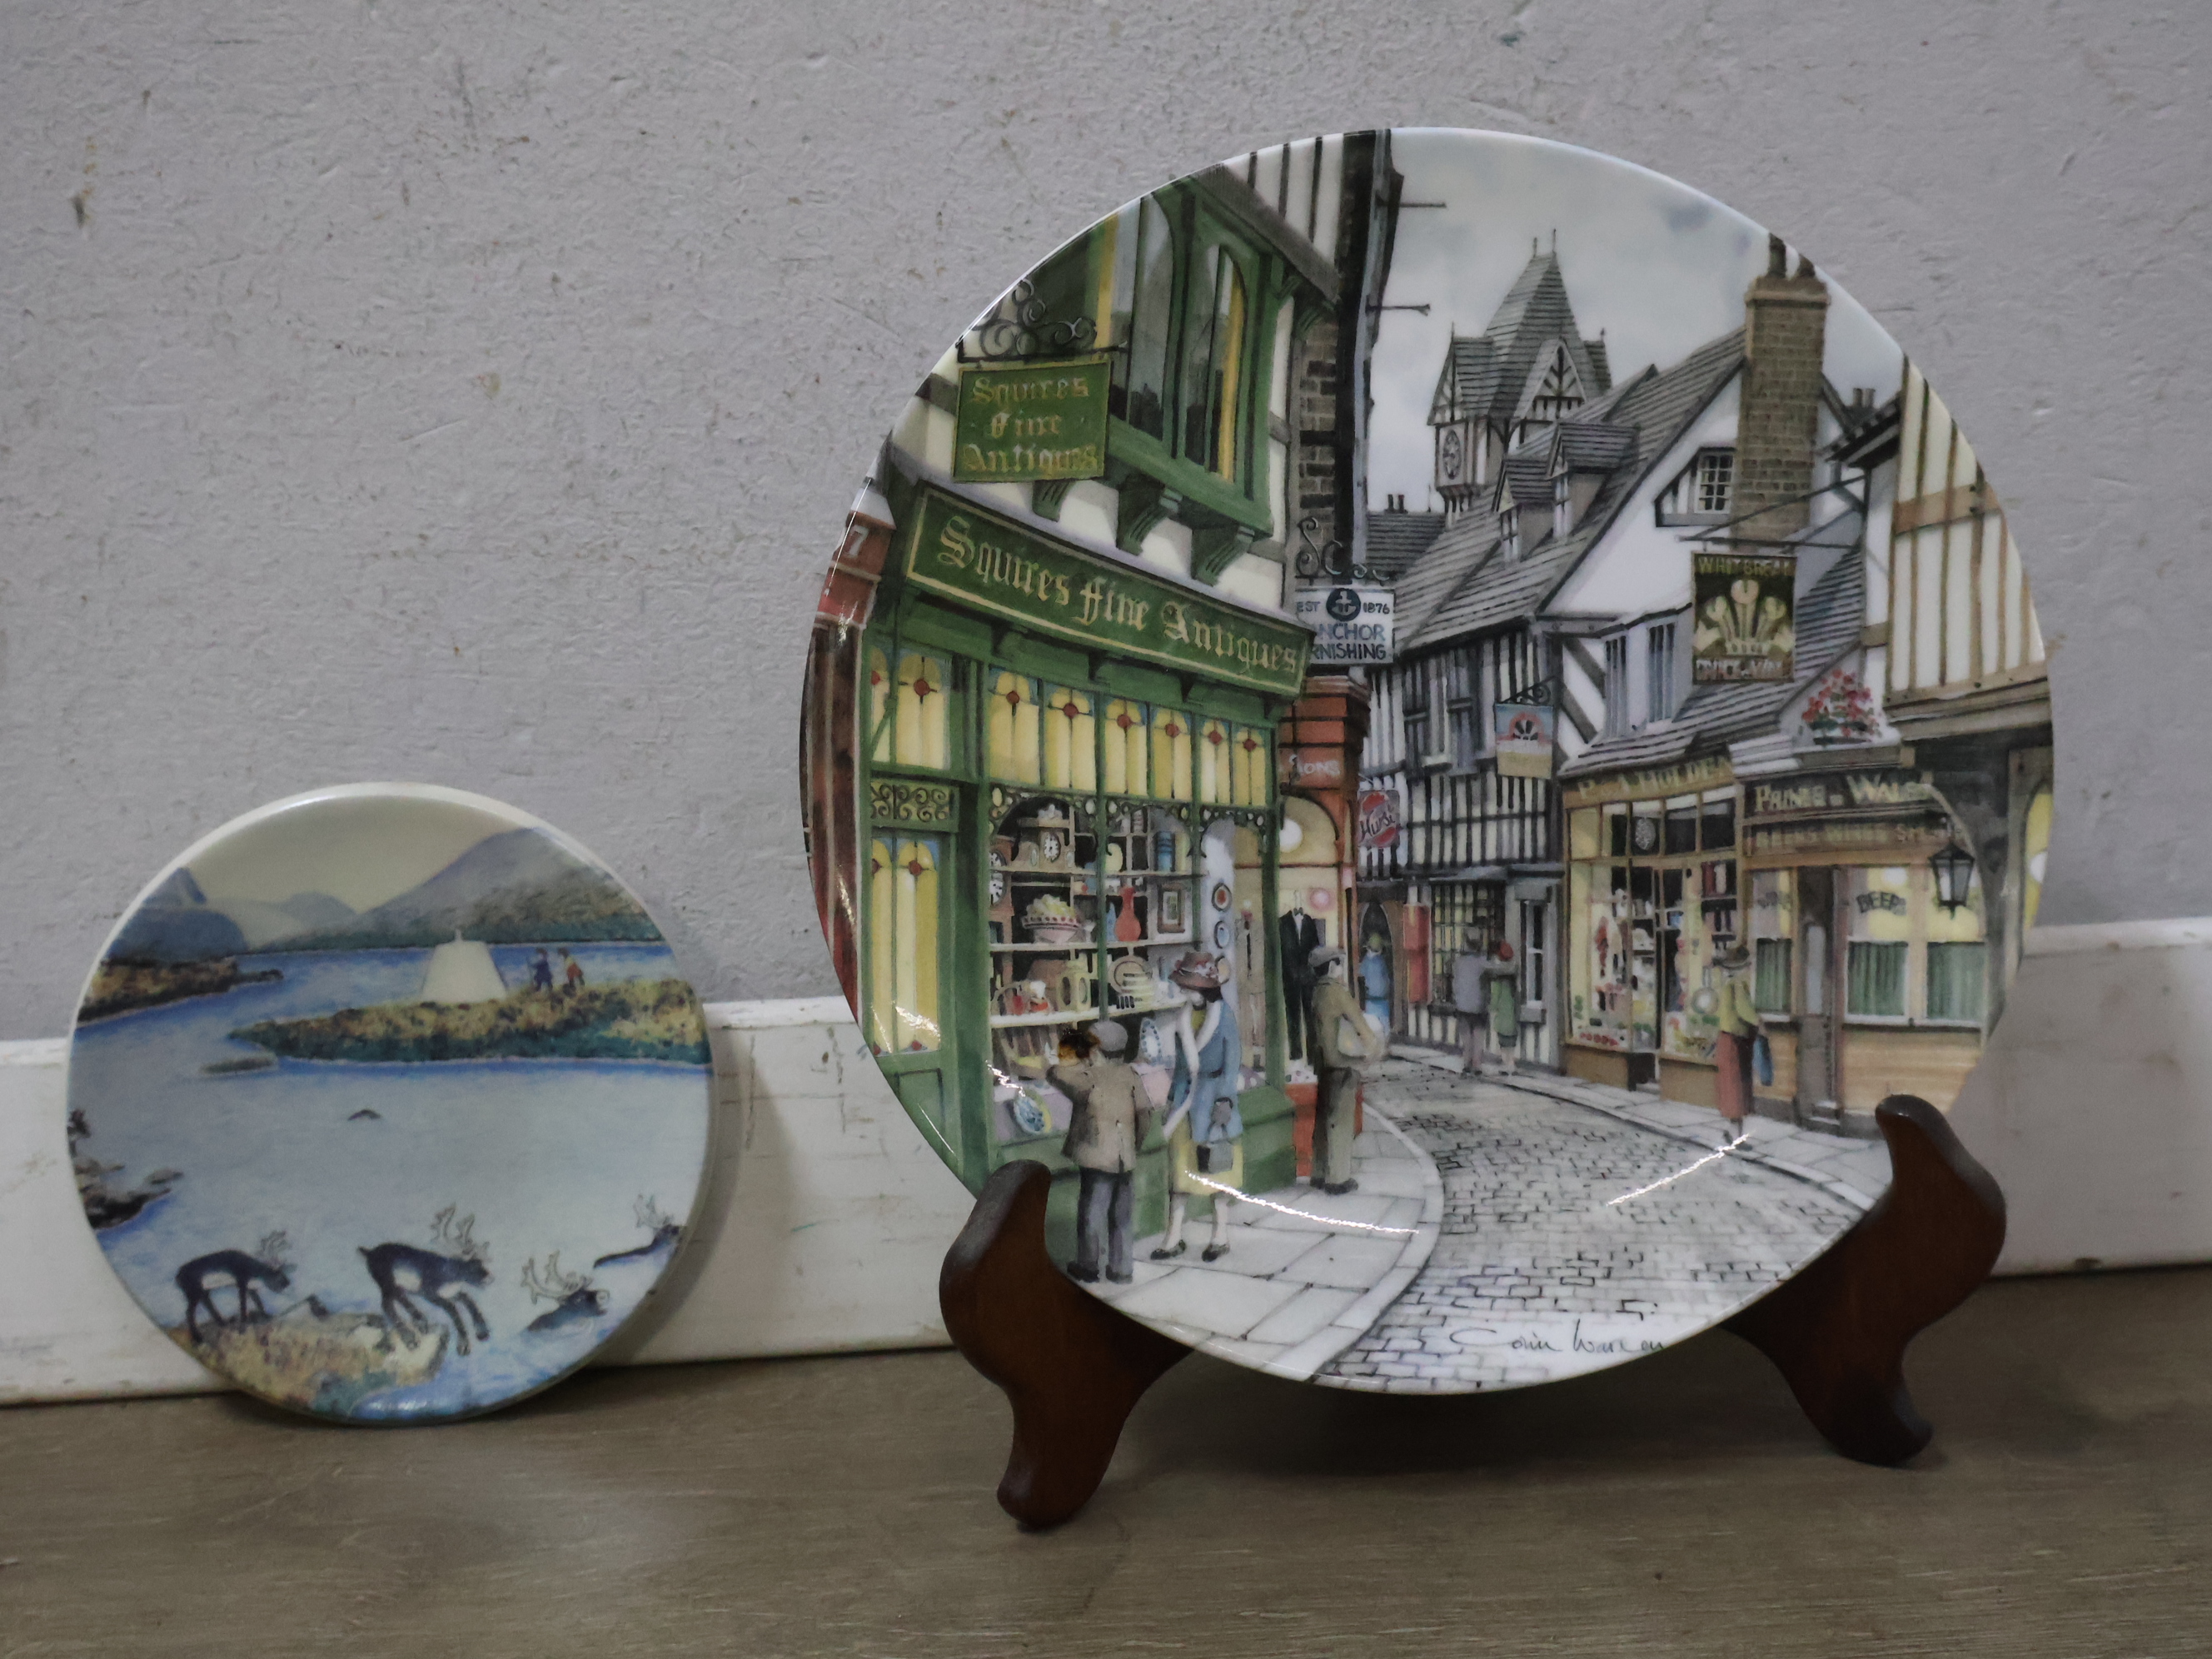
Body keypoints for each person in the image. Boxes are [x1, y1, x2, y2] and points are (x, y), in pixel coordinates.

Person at [1155, 952, 1243, 1263]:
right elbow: (1182, 1066)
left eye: (1189, 987)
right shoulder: (1184, 1017)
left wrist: (1226, 1100)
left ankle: (1220, 1236)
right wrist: (1171, 1098)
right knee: (1180, 1173)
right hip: (1186, 1102)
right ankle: (1173, 1237)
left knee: (1217, 1171)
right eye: (1184, 986)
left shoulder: (1224, 1016)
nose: (1185, 991)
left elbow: (1233, 1061)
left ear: (1205, 989)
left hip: (1215, 1101)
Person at [1051, 1019, 1152, 1284]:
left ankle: (1088, 1266)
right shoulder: (1131, 1075)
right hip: (1124, 1158)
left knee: (1092, 1215)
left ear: (1095, 1052)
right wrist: (1135, 1145)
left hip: (1096, 1159)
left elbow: (1056, 1075)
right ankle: (1122, 1269)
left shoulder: (1088, 1079)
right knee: (1122, 1217)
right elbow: (1145, 1114)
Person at [1308, 944, 1378, 1194]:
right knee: (1341, 1121)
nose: (1340, 968)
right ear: (1331, 966)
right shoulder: (1337, 992)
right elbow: (1358, 1022)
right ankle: (1337, 1179)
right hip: (1342, 1062)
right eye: (1338, 963)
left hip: (1323, 1062)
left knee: (1323, 1120)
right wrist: (1372, 1048)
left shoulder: (1316, 992)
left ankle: (1318, 1172)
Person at [1711, 943, 1759, 1141]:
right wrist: (1759, 1023)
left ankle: (1733, 1132)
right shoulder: (1737, 984)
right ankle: (1735, 1136)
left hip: (1726, 1039)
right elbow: (1744, 1010)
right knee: (1737, 1088)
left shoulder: (1726, 984)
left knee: (1731, 1087)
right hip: (1736, 1041)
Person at [1278, 905, 1322, 1062]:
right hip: (1290, 978)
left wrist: (1312, 972)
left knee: (1310, 1017)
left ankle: (1312, 1055)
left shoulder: (1310, 922)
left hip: (1308, 978)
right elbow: (1281, 951)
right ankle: (1296, 1053)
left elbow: (1316, 949)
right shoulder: (1283, 923)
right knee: (1293, 1017)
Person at [1449, 929, 1487, 1073]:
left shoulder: (1459, 962)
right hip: (1478, 1004)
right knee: (1478, 1035)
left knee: (1466, 1036)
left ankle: (1466, 1063)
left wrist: (1456, 998)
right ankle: (1477, 1065)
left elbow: (1455, 984)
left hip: (1462, 1004)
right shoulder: (1483, 962)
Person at [1485, 939, 1520, 1075]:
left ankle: (1507, 1063)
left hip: (1501, 1012)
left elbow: (1495, 997)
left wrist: (1491, 1008)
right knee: (1511, 1040)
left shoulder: (1497, 979)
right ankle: (1511, 1063)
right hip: (1512, 1010)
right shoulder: (1512, 975)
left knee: (1503, 1040)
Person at [1358, 936, 1392, 1031]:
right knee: (1385, 1027)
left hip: (1372, 1001)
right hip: (1381, 1001)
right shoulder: (1381, 961)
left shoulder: (1366, 962)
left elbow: (1360, 975)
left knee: (1373, 1028)